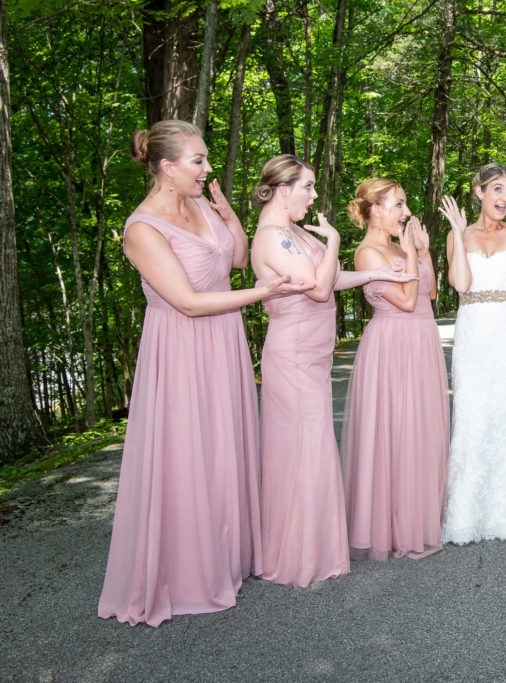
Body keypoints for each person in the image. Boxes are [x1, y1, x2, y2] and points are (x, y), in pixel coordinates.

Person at [98, 121, 311, 627]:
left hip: (225, 341)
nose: (208, 168)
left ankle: (228, 556)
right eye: (198, 161)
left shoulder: (198, 203)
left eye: (207, 158)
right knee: (188, 449)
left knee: (223, 445)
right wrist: (265, 295)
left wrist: (229, 215)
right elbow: (190, 303)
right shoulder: (141, 229)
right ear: (166, 167)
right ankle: (187, 570)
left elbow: (235, 260)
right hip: (182, 347)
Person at [249, 156, 414, 586]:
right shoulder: (271, 238)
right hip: (294, 353)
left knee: (313, 445)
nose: (314, 195)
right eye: (307, 187)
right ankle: (298, 555)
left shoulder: (296, 233)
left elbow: (330, 278)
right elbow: (319, 288)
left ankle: (315, 545)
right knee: (303, 448)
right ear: (284, 190)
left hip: (314, 353)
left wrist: (378, 271)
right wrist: (337, 239)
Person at [341, 178, 450, 561]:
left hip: (422, 340)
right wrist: (409, 251)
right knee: (396, 428)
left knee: (418, 426)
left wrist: (422, 252)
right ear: (375, 210)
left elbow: (430, 293)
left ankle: (419, 515)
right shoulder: (368, 253)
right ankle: (392, 524)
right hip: (393, 346)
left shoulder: (397, 245)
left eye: (405, 205)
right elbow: (405, 300)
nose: (406, 212)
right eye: (399, 205)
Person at [439, 164, 506, 544]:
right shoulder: (461, 234)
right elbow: (460, 284)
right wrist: (455, 231)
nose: (505, 197)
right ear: (479, 191)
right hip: (473, 328)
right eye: (498, 189)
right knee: (472, 411)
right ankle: (465, 515)